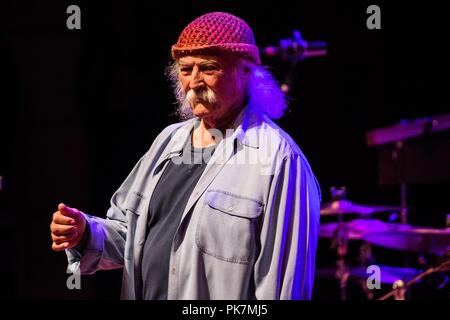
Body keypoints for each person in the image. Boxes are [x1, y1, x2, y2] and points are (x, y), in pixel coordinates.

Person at [50, 12, 321, 300]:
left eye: (208, 68)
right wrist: (85, 233)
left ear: (246, 72)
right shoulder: (168, 141)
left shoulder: (278, 159)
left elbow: (283, 286)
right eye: (185, 69)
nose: (193, 82)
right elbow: (130, 236)